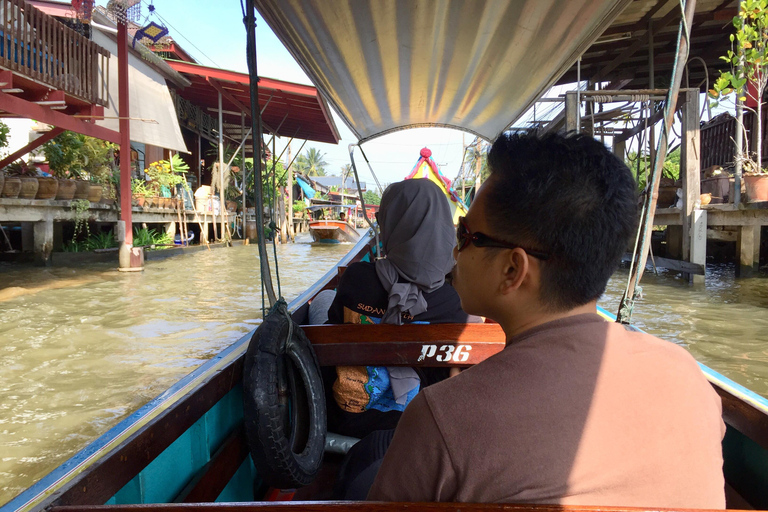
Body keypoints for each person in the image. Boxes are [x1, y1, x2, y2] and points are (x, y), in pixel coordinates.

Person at [368, 132, 725, 507]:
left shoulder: (442, 418)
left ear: (512, 269)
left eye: (465, 234)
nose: (455, 250)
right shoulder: (687, 375)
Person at [324, 178, 481, 439]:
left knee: (323, 303)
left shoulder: (356, 279)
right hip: (421, 426)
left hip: (346, 419)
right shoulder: (459, 298)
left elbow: (332, 326)